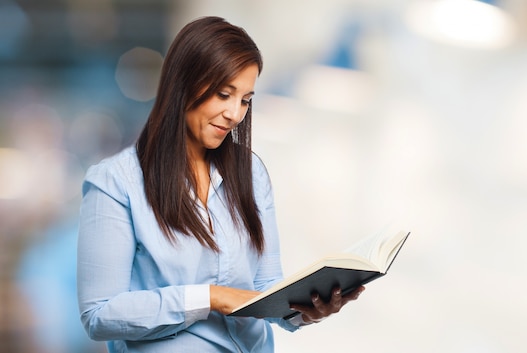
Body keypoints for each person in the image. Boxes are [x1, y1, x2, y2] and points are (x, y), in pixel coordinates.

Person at [77, 16, 363, 353]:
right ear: (182, 84)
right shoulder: (116, 183)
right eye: (223, 94)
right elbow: (100, 314)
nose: (234, 114)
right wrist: (210, 297)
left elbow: (263, 289)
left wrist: (306, 309)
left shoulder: (251, 173)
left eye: (244, 100)